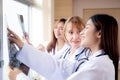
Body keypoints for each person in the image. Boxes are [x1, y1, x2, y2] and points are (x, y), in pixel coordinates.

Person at [8, 16, 89, 80]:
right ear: (66, 34)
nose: (75, 37)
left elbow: (51, 66)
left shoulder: (85, 58)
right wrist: (25, 45)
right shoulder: (66, 52)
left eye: (79, 32)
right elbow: (47, 62)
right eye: (71, 32)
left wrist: (18, 76)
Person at [67, 14, 119, 80]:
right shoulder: (96, 60)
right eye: (71, 32)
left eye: (87, 27)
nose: (81, 33)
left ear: (99, 34)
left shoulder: (98, 64)